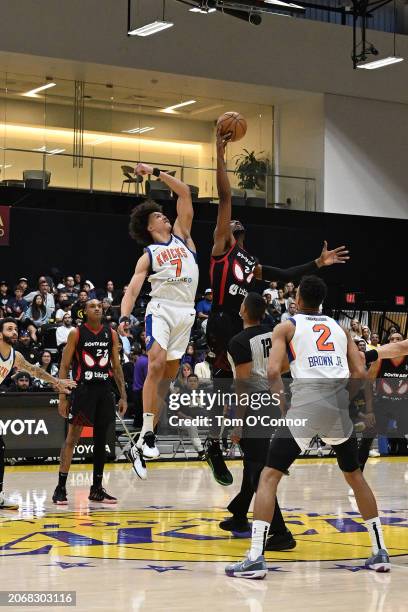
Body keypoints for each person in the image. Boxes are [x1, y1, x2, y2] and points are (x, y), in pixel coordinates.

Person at [206, 130, 349, 485]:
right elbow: (225, 197)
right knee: (228, 386)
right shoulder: (222, 246)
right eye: (230, 221)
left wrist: (317, 263)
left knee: (251, 387)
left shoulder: (249, 261)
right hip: (222, 322)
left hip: (243, 329)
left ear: (244, 233)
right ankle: (215, 444)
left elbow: (285, 274)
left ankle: (242, 446)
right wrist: (220, 155)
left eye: (238, 224)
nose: (233, 222)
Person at [226, 276, 390, 579]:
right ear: (321, 302)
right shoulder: (340, 329)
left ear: (298, 299)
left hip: (306, 405)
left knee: (268, 476)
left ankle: (255, 558)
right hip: (338, 408)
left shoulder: (286, 327)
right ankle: (380, 551)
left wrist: (284, 405)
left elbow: (274, 371)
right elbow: (360, 373)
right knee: (354, 476)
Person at [120, 163, 198, 478]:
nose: (163, 215)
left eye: (163, 213)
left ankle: (142, 438)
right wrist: (125, 316)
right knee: (155, 364)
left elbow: (184, 192)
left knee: (166, 377)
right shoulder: (149, 254)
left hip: (187, 312)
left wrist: (154, 172)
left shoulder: (183, 236)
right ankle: (149, 434)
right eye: (157, 215)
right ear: (149, 226)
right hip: (162, 309)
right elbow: (133, 289)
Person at [221, 292, 295, 550]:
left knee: (257, 469)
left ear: (243, 311)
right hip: (272, 400)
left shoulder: (239, 341)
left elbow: (243, 385)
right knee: (252, 464)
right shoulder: (273, 332)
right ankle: (240, 515)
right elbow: (284, 365)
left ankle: (281, 532)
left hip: (254, 405)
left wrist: (238, 422)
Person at [53, 299, 127, 504]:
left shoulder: (111, 333)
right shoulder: (76, 333)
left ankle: (96, 489)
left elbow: (117, 366)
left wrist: (123, 395)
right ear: (84, 311)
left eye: (99, 306)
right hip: (83, 391)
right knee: (72, 439)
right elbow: (64, 366)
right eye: (92, 306)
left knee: (101, 441)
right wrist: (62, 396)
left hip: (104, 391)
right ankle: (60, 488)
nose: (97, 308)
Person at [0, 318, 75, 509]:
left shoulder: (15, 357)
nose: (14, 332)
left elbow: (35, 371)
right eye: (9, 329)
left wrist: (58, 382)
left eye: (16, 329)